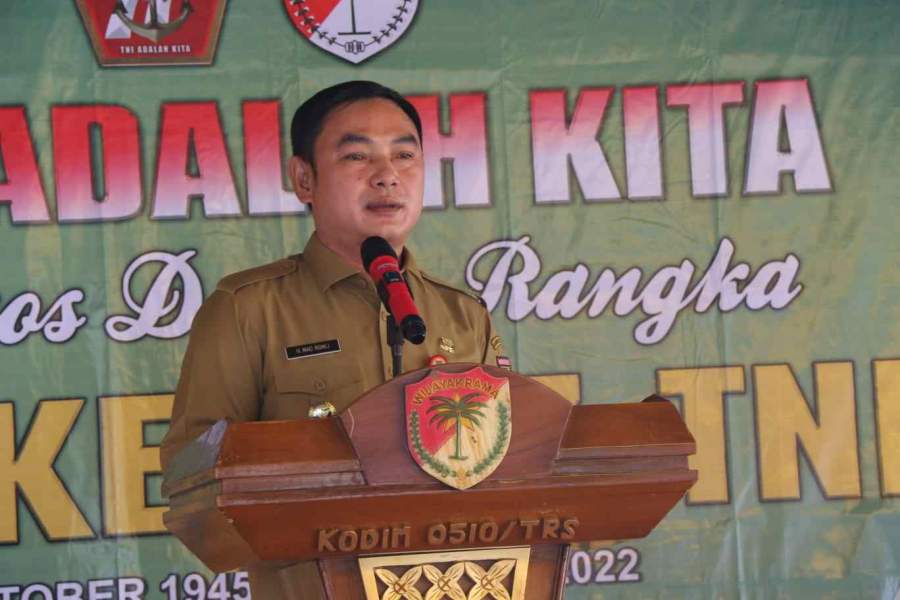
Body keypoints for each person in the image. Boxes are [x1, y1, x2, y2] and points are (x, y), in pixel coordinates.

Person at [160, 80, 504, 599]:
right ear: (304, 179)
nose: (387, 175)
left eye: (405, 155)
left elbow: (511, 460)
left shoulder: (462, 314)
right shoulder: (249, 308)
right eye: (357, 156)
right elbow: (192, 472)